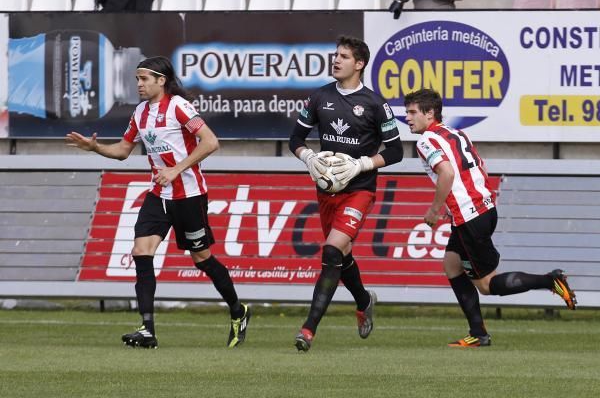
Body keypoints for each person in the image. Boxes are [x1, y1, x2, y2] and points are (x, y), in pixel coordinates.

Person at [66, 56, 250, 349]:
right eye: (137, 79)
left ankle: (239, 312)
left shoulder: (179, 106)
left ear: (161, 81)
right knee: (141, 251)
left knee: (201, 259)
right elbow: (124, 150)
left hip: (188, 196)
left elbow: (210, 142)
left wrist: (177, 168)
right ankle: (147, 329)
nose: (138, 84)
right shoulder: (140, 113)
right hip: (158, 195)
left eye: (144, 79)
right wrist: (95, 148)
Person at [404, 88, 577, 347]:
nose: (407, 117)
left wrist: (434, 209)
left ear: (430, 114)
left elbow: (447, 174)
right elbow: (479, 166)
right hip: (483, 208)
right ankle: (478, 333)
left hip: (469, 217)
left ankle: (550, 280)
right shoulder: (456, 133)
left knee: (486, 285)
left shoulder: (426, 140)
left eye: (412, 112)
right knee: (451, 264)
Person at [289, 35, 404, 352]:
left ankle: (308, 329)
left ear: (359, 64)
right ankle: (364, 300)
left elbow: (396, 151)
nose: (336, 60)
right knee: (341, 255)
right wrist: (309, 157)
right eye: (335, 55)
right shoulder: (319, 98)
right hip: (327, 191)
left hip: (359, 190)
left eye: (343, 56)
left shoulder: (375, 104)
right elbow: (295, 138)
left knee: (331, 252)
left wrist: (362, 164)